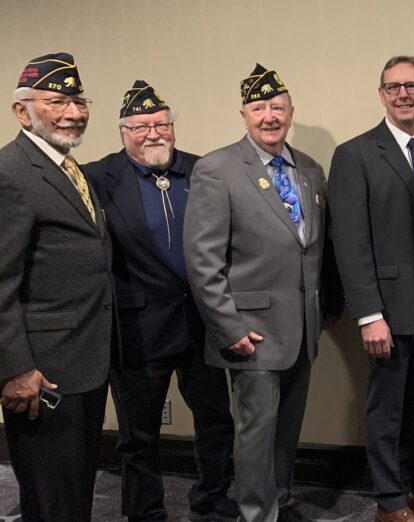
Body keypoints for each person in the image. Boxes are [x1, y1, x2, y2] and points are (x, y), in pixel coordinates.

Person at [183, 64, 338, 522]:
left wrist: (324, 308)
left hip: (303, 327)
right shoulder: (218, 168)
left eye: (277, 107)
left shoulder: (309, 169)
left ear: (290, 112)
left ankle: (281, 500)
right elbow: (203, 261)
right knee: (255, 432)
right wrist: (228, 327)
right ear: (243, 114)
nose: (269, 116)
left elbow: (315, 248)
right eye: (259, 108)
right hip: (251, 330)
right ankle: (257, 513)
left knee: (286, 430)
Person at [82, 80, 238, 522]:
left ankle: (211, 495)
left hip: (201, 323)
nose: (153, 133)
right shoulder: (97, 177)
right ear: (123, 132)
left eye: (161, 124)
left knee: (216, 420)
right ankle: (145, 509)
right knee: (139, 434)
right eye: (141, 126)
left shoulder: (202, 168)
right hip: (137, 330)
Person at [328, 56, 414, 522]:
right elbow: (351, 242)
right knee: (387, 406)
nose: (403, 94)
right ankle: (389, 500)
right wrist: (367, 313)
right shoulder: (355, 154)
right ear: (381, 94)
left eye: (412, 85)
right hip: (387, 308)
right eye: (393, 86)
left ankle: (411, 487)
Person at [0, 52, 113, 522]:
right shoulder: (11, 173)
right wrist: (16, 368)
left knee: (74, 490)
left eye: (78, 99)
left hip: (83, 362)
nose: (73, 111)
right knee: (50, 499)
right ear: (22, 110)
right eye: (57, 101)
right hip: (42, 372)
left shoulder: (69, 167)